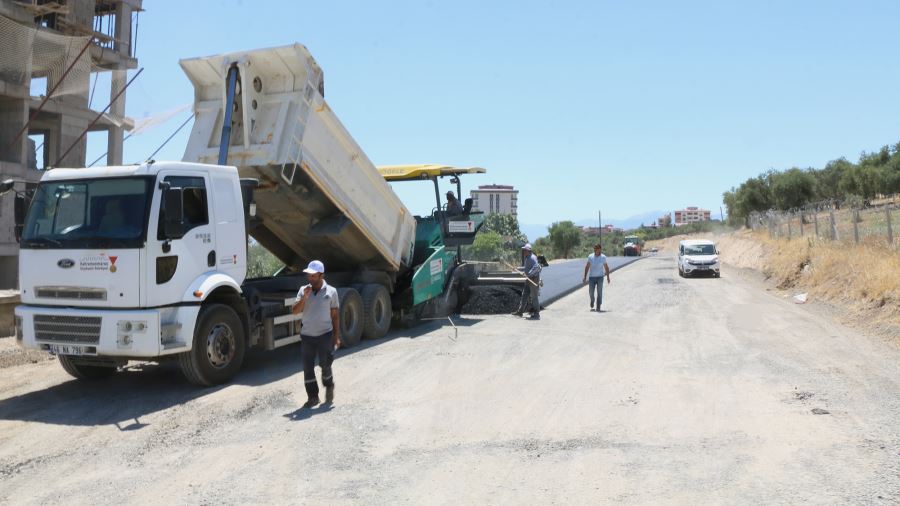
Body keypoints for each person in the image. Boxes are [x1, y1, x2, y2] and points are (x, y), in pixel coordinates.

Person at [292, 260, 341, 407]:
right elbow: (295, 311)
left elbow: (335, 315)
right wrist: (304, 298)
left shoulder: (331, 291)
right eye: (309, 275)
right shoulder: (303, 290)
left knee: (325, 364)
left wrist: (336, 336)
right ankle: (313, 397)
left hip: (325, 334)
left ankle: (329, 385)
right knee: (308, 367)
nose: (310, 279)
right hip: (307, 335)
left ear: (321, 275)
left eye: (313, 276)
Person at [512, 243, 542, 319]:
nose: (524, 251)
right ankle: (520, 311)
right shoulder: (527, 258)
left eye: (525, 250)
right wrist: (518, 269)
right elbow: (526, 268)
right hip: (528, 279)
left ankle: (536, 313)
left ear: (528, 250)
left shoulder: (532, 258)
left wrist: (528, 274)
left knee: (534, 297)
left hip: (533, 280)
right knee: (524, 295)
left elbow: (536, 268)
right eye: (524, 250)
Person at [582, 243, 611, 311]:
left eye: (597, 249)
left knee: (599, 291)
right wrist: (585, 276)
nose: (595, 250)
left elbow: (606, 267)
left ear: (600, 249)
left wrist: (608, 277)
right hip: (592, 277)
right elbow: (587, 267)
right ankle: (592, 300)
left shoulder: (603, 257)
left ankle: (598, 305)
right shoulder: (590, 256)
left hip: (600, 277)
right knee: (591, 292)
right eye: (595, 248)